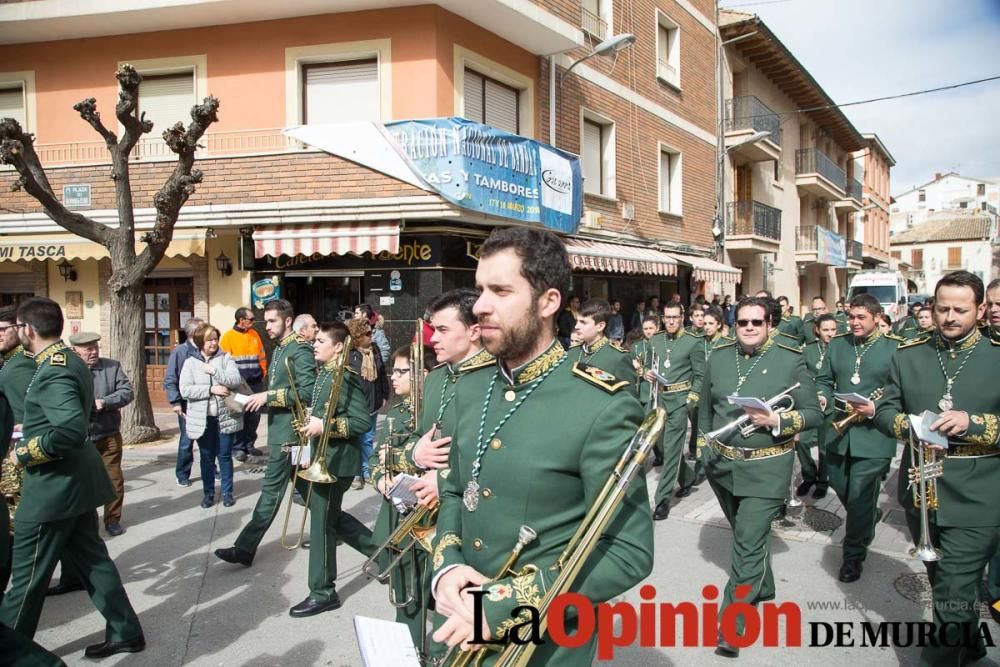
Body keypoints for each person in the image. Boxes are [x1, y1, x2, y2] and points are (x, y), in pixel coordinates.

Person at [429, 227, 652, 663]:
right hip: (458, 625)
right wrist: (448, 566)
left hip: (545, 643)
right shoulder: (470, 388)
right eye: (479, 290)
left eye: (500, 290)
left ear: (548, 302)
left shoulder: (600, 404)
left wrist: (499, 606)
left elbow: (628, 551)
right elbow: (455, 490)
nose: (480, 306)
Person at [0, 298, 144, 658]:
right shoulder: (66, 359)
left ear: (29, 330)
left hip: (53, 487)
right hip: (72, 484)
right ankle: (126, 631)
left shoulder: (54, 368)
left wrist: (24, 451)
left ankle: (10, 653)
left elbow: (66, 431)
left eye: (18, 327)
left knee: (26, 578)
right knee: (94, 563)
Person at [873, 271, 1000, 666]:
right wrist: (909, 427)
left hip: (980, 494)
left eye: (960, 310)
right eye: (942, 308)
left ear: (980, 310)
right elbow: (885, 410)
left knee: (954, 589)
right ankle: (973, 648)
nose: (949, 317)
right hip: (922, 490)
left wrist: (973, 423)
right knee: (943, 584)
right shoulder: (909, 354)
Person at [698, 296, 821, 657]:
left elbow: (814, 413)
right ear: (734, 325)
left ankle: (732, 627)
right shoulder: (718, 357)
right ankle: (763, 586)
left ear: (770, 325)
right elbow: (705, 409)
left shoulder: (790, 359)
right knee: (744, 535)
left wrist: (778, 421)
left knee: (748, 541)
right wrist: (705, 450)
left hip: (767, 468)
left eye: (757, 322)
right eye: (742, 322)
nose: (749, 328)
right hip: (722, 466)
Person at [214, 298, 316, 568]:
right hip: (283, 432)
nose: (267, 327)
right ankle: (353, 536)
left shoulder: (299, 350)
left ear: (288, 321)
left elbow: (307, 391)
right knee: (309, 493)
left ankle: (244, 548)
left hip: (290, 435)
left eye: (272, 321)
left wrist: (269, 396)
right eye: (266, 321)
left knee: (271, 491)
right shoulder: (281, 349)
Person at [290, 322, 375, 617]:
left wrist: (325, 425)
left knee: (322, 524)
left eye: (321, 340)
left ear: (338, 347)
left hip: (337, 462)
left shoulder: (345, 376)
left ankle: (323, 591)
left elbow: (362, 422)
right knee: (331, 518)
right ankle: (384, 552)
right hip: (322, 456)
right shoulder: (325, 373)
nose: (315, 343)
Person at [815, 295, 901, 583]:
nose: (854, 322)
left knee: (860, 494)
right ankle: (867, 517)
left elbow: (899, 390)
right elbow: (825, 379)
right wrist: (822, 397)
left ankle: (853, 555)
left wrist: (876, 408)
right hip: (839, 430)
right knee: (841, 486)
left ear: (877, 317)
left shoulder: (895, 348)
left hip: (874, 432)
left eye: (861, 317)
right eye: (851, 316)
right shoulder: (839, 344)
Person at [368, 344, 436, 650]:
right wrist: (380, 479)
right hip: (396, 514)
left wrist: (399, 460)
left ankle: (422, 650)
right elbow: (373, 460)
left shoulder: (434, 412)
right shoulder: (395, 412)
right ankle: (410, 650)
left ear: (421, 374)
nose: (393, 378)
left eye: (400, 371)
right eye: (392, 371)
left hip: (426, 514)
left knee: (425, 589)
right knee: (404, 591)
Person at [638, 301, 704, 520]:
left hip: (679, 400)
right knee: (665, 448)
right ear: (662, 318)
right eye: (667, 317)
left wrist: (690, 399)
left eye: (675, 317)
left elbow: (701, 375)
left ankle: (662, 500)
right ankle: (687, 478)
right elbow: (647, 364)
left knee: (672, 448)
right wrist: (646, 372)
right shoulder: (655, 339)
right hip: (659, 398)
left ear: (682, 317)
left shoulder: (693, 342)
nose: (671, 321)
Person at [67, 332, 134, 537]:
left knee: (114, 479)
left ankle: (113, 519)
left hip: (109, 433)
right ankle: (83, 522)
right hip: (82, 438)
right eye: (88, 349)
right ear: (75, 351)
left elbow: (127, 392)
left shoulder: (111, 367)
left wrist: (105, 402)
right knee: (82, 482)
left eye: (96, 347)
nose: (94, 352)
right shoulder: (68, 371)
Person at [179, 324, 244, 509]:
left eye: (216, 339)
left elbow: (235, 380)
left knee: (224, 455)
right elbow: (185, 390)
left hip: (225, 416)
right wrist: (209, 389)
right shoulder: (190, 362)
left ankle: (227, 492)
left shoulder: (225, 358)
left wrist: (215, 371)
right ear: (200, 342)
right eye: (209, 340)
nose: (213, 343)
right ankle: (208, 493)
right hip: (203, 418)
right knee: (206, 457)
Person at [796, 314, 838, 500]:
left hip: (832, 404)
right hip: (810, 403)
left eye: (833, 330)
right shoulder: (809, 350)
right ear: (817, 331)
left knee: (824, 447)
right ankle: (808, 476)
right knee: (802, 441)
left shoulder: (840, 349)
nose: (830, 334)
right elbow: (801, 374)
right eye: (826, 330)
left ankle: (823, 481)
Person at [345, 317, 388, 490]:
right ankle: (357, 473)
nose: (371, 336)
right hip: (356, 404)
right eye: (367, 333)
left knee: (368, 439)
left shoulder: (375, 349)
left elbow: (382, 373)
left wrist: (385, 394)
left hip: (373, 401)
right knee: (357, 439)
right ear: (357, 336)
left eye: (371, 332)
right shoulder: (348, 353)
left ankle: (367, 470)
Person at [220, 307, 267, 462]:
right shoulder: (228, 337)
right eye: (251, 319)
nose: (253, 322)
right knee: (240, 415)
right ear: (241, 320)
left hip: (255, 383)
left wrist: (263, 372)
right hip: (239, 386)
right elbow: (225, 363)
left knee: (254, 416)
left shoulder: (254, 334)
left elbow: (262, 355)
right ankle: (238, 447)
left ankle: (249, 445)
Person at [163, 317, 204, 487]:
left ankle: (211, 469)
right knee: (187, 441)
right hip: (187, 404)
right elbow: (170, 379)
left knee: (208, 440)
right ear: (193, 333)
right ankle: (182, 473)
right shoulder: (179, 352)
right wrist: (175, 402)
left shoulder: (207, 348)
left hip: (206, 401)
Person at [572, 299, 634, 381]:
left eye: (583, 322)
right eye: (577, 321)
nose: (576, 326)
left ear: (600, 326)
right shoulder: (572, 352)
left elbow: (626, 393)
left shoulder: (618, 358)